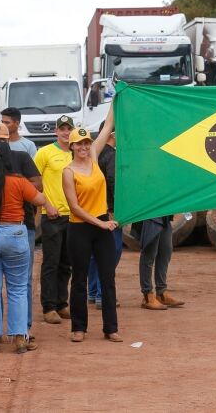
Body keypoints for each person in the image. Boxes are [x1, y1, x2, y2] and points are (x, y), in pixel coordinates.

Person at [0, 132, 48, 354]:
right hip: (15, 234)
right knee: (18, 288)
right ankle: (20, 337)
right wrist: (50, 209)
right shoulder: (19, 182)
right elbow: (40, 199)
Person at [62, 117, 120, 343]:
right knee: (79, 279)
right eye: (79, 144)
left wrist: (115, 96)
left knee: (108, 278)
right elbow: (74, 207)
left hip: (102, 225)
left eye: (87, 143)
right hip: (80, 229)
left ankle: (111, 328)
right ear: (72, 146)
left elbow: (107, 127)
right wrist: (101, 223)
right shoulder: (68, 171)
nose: (84, 147)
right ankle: (79, 328)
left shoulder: (95, 160)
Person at [34, 115, 75, 324]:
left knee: (67, 263)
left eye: (69, 129)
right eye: (62, 129)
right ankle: (49, 306)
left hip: (74, 216)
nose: (66, 133)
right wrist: (45, 205)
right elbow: (33, 182)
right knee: (51, 262)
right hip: (53, 215)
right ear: (56, 131)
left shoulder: (77, 153)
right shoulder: (45, 153)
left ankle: (62, 303)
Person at [88, 130, 123, 309]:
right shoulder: (113, 156)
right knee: (111, 253)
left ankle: (93, 292)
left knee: (95, 254)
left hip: (93, 212)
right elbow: (114, 181)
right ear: (113, 134)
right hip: (109, 212)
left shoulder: (94, 155)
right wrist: (119, 209)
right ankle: (103, 295)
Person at [136, 214, 185, 310]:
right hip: (150, 214)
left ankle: (161, 293)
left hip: (164, 214)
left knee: (165, 251)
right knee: (149, 254)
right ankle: (147, 296)